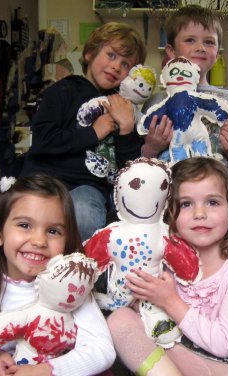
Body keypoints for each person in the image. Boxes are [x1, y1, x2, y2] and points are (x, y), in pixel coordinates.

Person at [107, 157, 228, 375]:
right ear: (169, 213)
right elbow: (144, 319)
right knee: (120, 320)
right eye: (186, 204)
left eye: (212, 202)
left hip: (227, 362)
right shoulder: (161, 259)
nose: (199, 214)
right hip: (171, 355)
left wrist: (169, 300)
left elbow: (223, 345)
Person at [0, 175, 116, 376]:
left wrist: (47, 370)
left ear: (67, 242)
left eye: (53, 231)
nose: (39, 240)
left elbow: (101, 350)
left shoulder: (73, 291)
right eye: (25, 225)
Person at [21, 22, 162, 241]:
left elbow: (129, 168)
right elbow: (43, 140)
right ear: (89, 54)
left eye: (125, 64)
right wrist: (92, 134)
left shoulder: (124, 106)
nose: (116, 66)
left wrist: (125, 129)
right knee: (26, 216)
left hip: (88, 187)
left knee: (85, 213)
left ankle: (82, 270)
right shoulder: (62, 91)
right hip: (46, 179)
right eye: (111, 55)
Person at [142, 5, 228, 185]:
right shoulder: (156, 102)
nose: (200, 47)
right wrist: (151, 148)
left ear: (217, 55)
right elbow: (139, 160)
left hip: (218, 192)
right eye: (190, 40)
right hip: (170, 192)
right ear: (171, 52)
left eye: (209, 42)